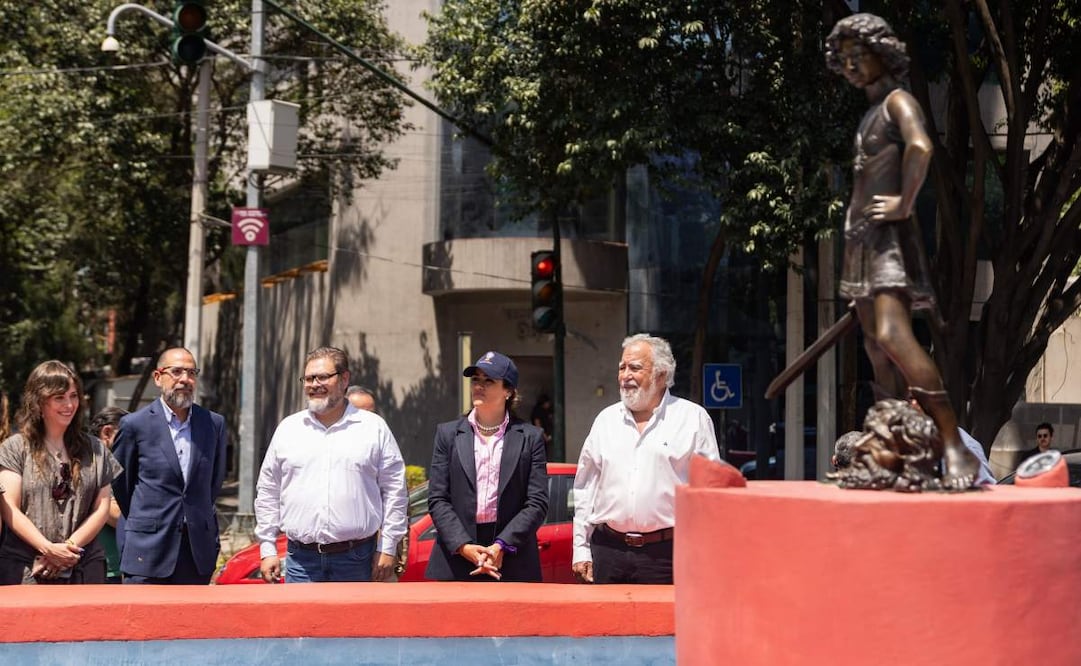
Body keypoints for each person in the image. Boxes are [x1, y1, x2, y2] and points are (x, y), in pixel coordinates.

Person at [825, 14, 978, 489]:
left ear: (882, 53)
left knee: (893, 334)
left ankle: (953, 444)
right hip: (862, 241)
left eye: (858, 55)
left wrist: (904, 202)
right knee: (874, 345)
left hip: (888, 241)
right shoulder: (870, 112)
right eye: (843, 58)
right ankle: (892, 441)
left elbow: (922, 147)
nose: (850, 65)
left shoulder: (898, 101)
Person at [572, 334, 721, 584]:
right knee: (608, 624)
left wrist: (704, 554)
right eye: (622, 367)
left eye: (635, 368)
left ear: (661, 375)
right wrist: (581, 548)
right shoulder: (605, 421)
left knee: (665, 625)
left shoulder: (693, 419)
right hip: (608, 551)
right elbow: (584, 489)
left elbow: (709, 492)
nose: (625, 375)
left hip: (667, 556)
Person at [255, 346, 408, 583]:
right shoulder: (288, 429)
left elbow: (395, 491)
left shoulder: (373, 428)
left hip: (357, 560)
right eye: (308, 378)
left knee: (356, 622)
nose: (314, 384)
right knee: (300, 622)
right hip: (300, 563)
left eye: (323, 377)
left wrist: (388, 547)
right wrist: (267, 548)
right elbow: (268, 491)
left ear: (344, 378)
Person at [426, 351, 549, 582]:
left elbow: (537, 502)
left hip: (512, 556)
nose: (479, 386)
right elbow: (437, 498)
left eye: (489, 381)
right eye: (476, 380)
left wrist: (501, 545)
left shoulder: (530, 437)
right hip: (456, 557)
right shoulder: (448, 434)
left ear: (508, 391)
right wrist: (463, 546)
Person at [111, 348, 228, 585]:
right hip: (148, 551)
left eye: (191, 372)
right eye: (176, 372)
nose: (185, 379)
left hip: (196, 553)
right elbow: (122, 484)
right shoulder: (135, 425)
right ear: (157, 377)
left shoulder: (213, 424)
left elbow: (213, 483)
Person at [0, 361, 121, 584]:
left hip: (84, 569)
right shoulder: (14, 447)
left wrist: (68, 548)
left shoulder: (95, 449)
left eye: (74, 396)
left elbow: (102, 508)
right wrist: (47, 548)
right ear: (38, 401)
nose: (69, 404)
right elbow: (9, 509)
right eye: (59, 397)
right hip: (29, 569)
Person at [89, 406, 128, 583]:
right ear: (107, 433)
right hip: (104, 568)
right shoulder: (92, 464)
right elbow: (115, 515)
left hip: (116, 566)